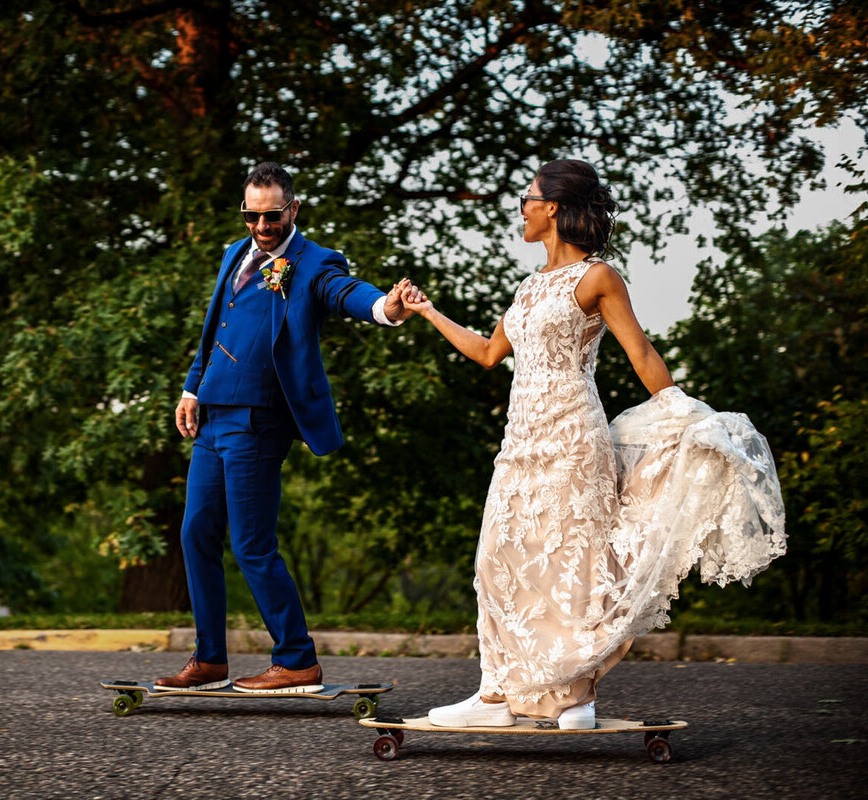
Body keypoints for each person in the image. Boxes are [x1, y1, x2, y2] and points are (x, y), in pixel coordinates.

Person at [400, 159, 786, 729]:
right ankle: (496, 696)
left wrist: (682, 412)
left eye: (527, 199)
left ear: (552, 207)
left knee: (575, 564)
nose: (522, 210)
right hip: (521, 438)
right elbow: (487, 353)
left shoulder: (598, 278)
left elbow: (641, 353)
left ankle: (577, 697)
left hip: (574, 435)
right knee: (496, 559)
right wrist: (427, 310)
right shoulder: (528, 288)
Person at [157, 162, 414, 693]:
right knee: (195, 533)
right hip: (211, 415)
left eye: (272, 215)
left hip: (258, 421)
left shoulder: (315, 262)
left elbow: (348, 293)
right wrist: (190, 388)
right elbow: (214, 329)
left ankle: (296, 659)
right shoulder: (235, 253)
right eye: (252, 215)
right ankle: (209, 659)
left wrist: (385, 307)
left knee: (251, 543)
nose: (262, 225)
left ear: (293, 209)